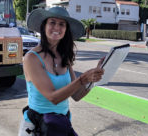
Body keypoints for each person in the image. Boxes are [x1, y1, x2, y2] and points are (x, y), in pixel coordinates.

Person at [18, 7, 104, 136]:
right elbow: (53, 97)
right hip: (35, 128)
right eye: (52, 22)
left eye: (62, 24)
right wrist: (83, 79)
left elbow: (76, 95)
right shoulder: (32, 58)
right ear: (44, 26)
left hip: (59, 126)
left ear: (66, 30)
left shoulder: (65, 57)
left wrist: (92, 79)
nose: (57, 27)